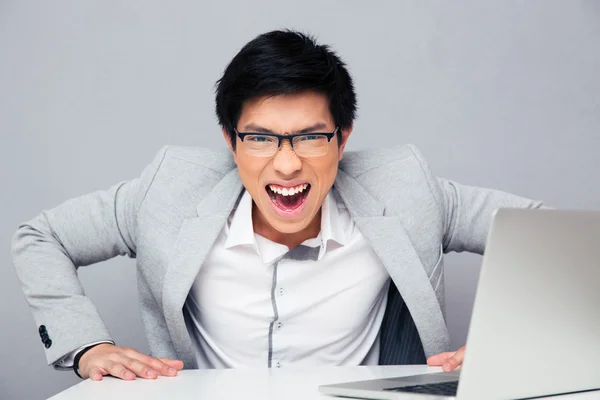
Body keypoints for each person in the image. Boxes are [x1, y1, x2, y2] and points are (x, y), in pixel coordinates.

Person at [11, 30, 543, 382]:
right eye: (260, 138)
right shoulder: (169, 190)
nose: (286, 166)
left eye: (311, 137)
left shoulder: (406, 187)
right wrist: (84, 345)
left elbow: (554, 239)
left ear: (343, 135)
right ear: (230, 138)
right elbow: (43, 236)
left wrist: (513, 344)